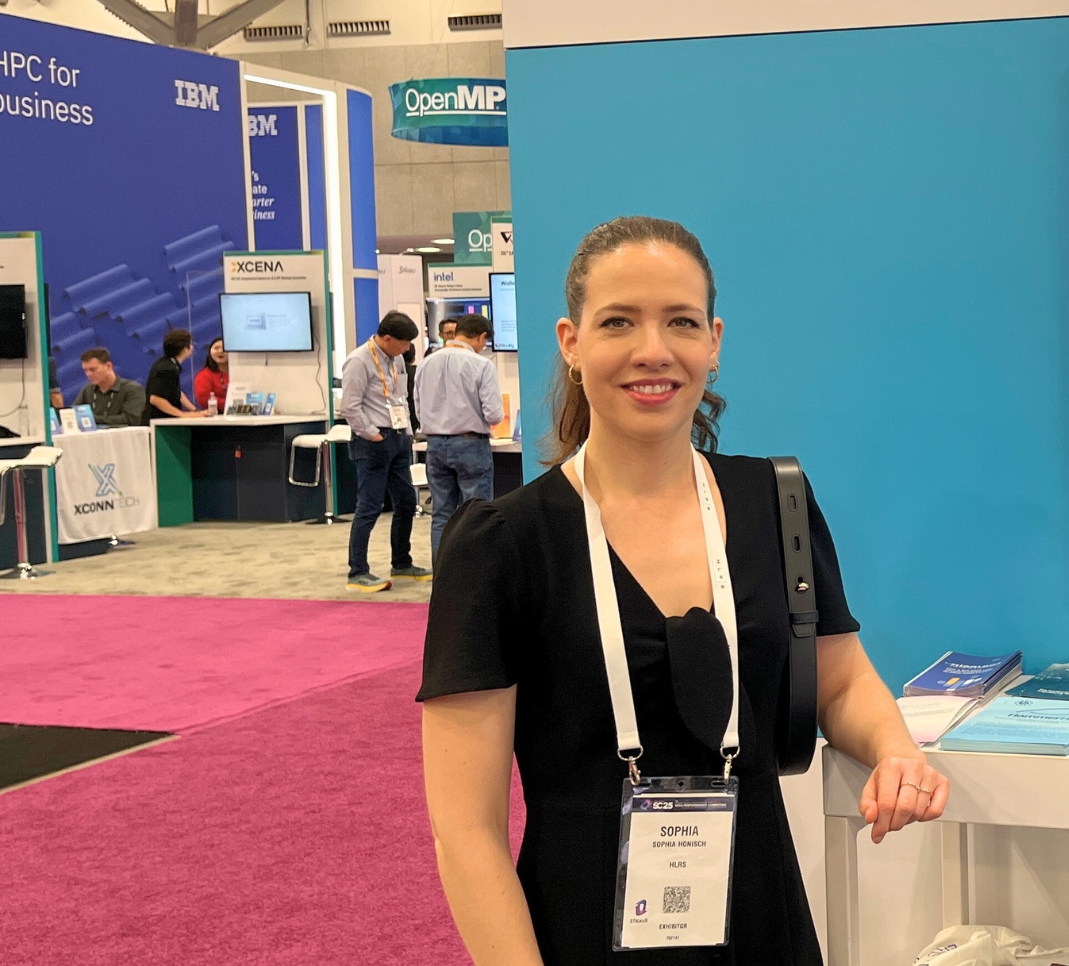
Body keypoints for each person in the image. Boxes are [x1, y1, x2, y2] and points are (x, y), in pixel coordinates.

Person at [420, 216, 945, 965]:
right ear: (572, 343)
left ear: (714, 342)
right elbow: (465, 830)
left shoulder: (776, 501)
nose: (652, 351)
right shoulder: (503, 545)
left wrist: (895, 750)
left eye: (680, 322)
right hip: (581, 921)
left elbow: (842, 681)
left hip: (762, 913)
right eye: (618, 322)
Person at [341, 310, 431, 593]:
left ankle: (401, 562)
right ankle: (358, 571)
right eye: (404, 343)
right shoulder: (358, 361)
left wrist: (405, 433)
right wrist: (373, 434)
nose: (408, 349)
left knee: (406, 502)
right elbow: (350, 407)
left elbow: (400, 397)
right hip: (372, 442)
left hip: (399, 438)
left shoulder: (397, 360)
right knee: (369, 507)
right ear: (387, 338)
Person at [414, 312, 505, 563]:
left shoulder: (426, 363)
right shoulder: (481, 365)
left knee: (441, 513)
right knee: (475, 513)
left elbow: (418, 408)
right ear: (481, 337)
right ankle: (474, 573)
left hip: (433, 444)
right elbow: (494, 413)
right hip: (470, 444)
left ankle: (442, 575)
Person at [142, 329, 214, 423]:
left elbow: (177, 393)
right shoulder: (168, 369)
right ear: (185, 348)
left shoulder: (167, 364)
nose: (192, 347)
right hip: (159, 423)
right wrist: (182, 414)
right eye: (191, 344)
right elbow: (156, 399)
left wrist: (195, 411)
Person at [72, 348, 145, 427]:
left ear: (108, 366)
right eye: (85, 370)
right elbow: (73, 414)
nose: (88, 374)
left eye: (93, 369)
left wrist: (92, 419)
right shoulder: (87, 390)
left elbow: (131, 419)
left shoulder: (132, 389)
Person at [193, 338, 229, 413]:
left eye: (225, 348)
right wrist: (230, 404)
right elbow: (204, 399)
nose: (220, 351)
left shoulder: (241, 373)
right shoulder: (204, 375)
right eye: (216, 348)